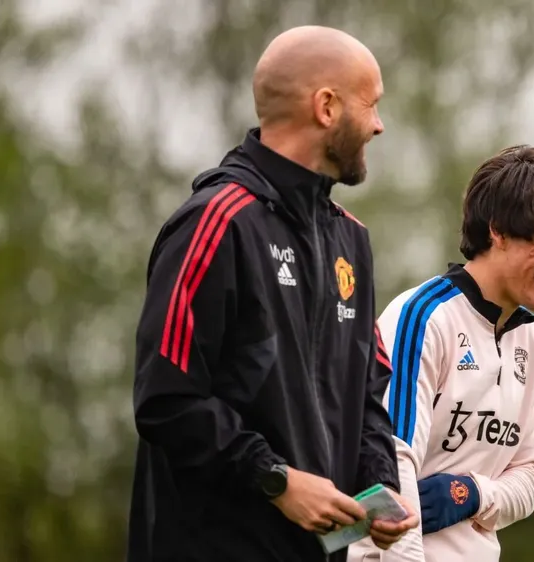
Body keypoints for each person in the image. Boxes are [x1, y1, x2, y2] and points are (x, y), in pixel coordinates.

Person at [126, 25, 418, 562]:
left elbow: (368, 391)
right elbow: (166, 401)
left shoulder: (351, 239)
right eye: (371, 104)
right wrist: (276, 479)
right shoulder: (216, 222)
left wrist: (379, 484)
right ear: (326, 107)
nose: (379, 124)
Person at [346, 145, 534, 562]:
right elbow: (390, 467)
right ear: (498, 231)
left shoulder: (531, 337)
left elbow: (530, 477)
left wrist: (472, 493)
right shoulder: (423, 317)